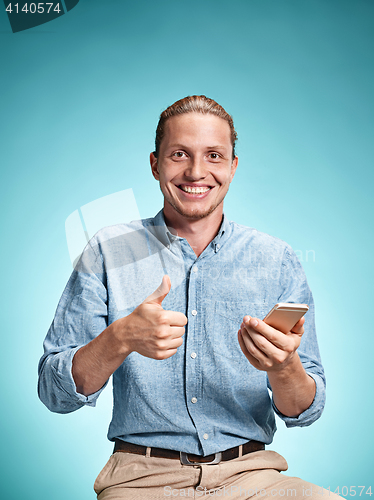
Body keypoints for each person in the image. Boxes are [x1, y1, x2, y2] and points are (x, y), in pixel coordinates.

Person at [38, 96, 337, 500]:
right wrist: (120, 337)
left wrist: (283, 366)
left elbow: (306, 410)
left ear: (233, 166)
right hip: (140, 480)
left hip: (252, 476)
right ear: (155, 163)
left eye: (214, 155)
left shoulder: (276, 259)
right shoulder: (108, 249)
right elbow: (54, 393)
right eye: (180, 154)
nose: (197, 172)